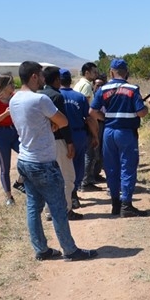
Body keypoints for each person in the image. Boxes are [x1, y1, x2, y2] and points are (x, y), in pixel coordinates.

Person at [8, 61, 97, 261]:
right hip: (43, 161)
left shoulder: (14, 100)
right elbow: (63, 121)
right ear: (33, 76)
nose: (42, 79)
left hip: (25, 159)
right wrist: (51, 124)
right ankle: (70, 250)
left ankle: (41, 249)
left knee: (33, 207)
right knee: (58, 207)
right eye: (40, 75)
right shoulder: (39, 100)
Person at [90, 59, 149, 217]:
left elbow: (92, 111)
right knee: (127, 167)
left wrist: (106, 118)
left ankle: (115, 204)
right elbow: (141, 112)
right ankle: (126, 205)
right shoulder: (132, 89)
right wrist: (146, 109)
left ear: (111, 72)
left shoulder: (103, 89)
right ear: (126, 71)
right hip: (126, 132)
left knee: (111, 168)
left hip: (109, 131)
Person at [39, 66, 82, 221]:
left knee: (49, 179)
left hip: (42, 143)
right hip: (57, 141)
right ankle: (66, 210)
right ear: (57, 80)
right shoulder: (56, 96)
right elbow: (63, 123)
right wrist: (70, 142)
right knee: (68, 177)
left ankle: (49, 211)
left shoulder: (37, 95)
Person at [60, 69, 98, 210]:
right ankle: (73, 193)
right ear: (70, 80)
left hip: (61, 136)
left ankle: (66, 195)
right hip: (78, 134)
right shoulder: (79, 97)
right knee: (77, 164)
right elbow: (89, 118)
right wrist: (95, 135)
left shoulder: (55, 96)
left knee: (61, 165)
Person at [0, 72, 25, 206]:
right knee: (4, 167)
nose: (14, 85)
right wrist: (6, 113)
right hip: (0, 134)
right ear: (3, 85)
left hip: (14, 132)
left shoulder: (14, 97)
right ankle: (9, 196)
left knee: (29, 156)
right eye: (11, 84)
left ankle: (20, 182)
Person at [80, 74, 106, 190]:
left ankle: (95, 174)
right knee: (91, 152)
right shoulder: (91, 98)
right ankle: (86, 180)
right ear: (93, 85)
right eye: (97, 85)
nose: (99, 88)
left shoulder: (104, 96)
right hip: (94, 124)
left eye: (101, 85)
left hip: (102, 124)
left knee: (99, 151)